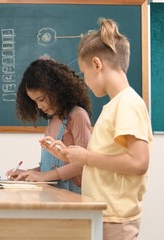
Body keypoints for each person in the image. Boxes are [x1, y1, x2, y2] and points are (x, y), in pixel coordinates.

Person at [59, 18, 152, 240]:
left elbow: (139, 162)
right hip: (106, 215)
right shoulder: (116, 105)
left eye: (84, 72)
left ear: (97, 64)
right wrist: (74, 156)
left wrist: (87, 157)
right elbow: (109, 156)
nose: (85, 80)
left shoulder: (127, 103)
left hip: (115, 218)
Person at [6, 59, 92, 194]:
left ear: (56, 91)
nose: (39, 107)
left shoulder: (77, 115)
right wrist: (29, 173)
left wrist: (44, 176)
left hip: (72, 198)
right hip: (53, 196)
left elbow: (84, 163)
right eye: (34, 102)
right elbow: (53, 167)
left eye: (41, 99)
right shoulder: (52, 120)